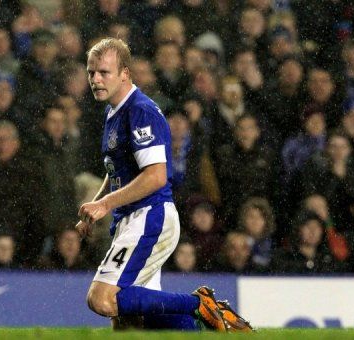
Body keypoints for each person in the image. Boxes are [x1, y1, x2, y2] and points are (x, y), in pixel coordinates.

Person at [75, 38, 252, 332]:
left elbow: (156, 175)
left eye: (103, 72)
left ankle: (200, 305)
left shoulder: (140, 110)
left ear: (124, 74)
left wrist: (105, 204)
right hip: (132, 218)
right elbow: (116, 168)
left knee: (102, 300)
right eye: (91, 72)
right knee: (133, 320)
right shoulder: (114, 110)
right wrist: (96, 203)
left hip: (149, 216)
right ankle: (204, 329)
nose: (95, 79)